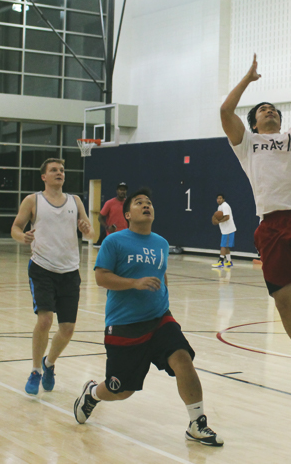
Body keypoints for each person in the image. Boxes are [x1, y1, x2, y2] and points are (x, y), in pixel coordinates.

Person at [219, 53, 291, 396]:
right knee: (284, 302)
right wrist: (247, 79)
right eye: (262, 110)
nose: (269, 111)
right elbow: (226, 112)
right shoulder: (247, 144)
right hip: (270, 226)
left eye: (273, 109)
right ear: (254, 124)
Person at [73, 188, 223, 447]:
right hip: (124, 325)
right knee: (121, 390)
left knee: (183, 359)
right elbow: (100, 277)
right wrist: (134, 283)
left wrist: (167, 307)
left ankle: (197, 423)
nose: (146, 206)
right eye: (139, 203)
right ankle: (93, 394)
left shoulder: (161, 243)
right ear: (128, 214)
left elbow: (160, 277)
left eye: (149, 203)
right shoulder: (114, 242)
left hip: (160, 319)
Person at [11, 158, 94, 395]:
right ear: (44, 177)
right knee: (45, 320)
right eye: (54, 170)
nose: (59, 173)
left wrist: (87, 231)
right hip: (42, 268)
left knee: (67, 329)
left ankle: (49, 363)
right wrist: (22, 237)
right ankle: (36, 369)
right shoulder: (32, 200)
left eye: (62, 170)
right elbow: (15, 227)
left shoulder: (75, 201)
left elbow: (92, 231)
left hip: (70, 271)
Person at [96, 182, 128, 247]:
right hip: (112, 235)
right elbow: (100, 217)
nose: (122, 191)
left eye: (124, 190)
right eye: (120, 189)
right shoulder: (109, 203)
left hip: (125, 234)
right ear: (117, 191)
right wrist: (107, 227)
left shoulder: (128, 203)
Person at [211, 194, 236, 268]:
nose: (218, 200)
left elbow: (227, 217)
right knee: (226, 246)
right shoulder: (220, 207)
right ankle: (228, 261)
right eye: (217, 198)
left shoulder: (225, 206)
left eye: (220, 198)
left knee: (223, 246)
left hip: (228, 229)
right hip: (226, 229)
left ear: (223, 199)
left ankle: (221, 261)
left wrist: (219, 221)